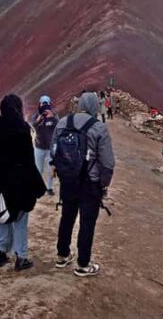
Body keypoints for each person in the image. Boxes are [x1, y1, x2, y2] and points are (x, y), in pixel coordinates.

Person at [51, 91, 115, 277]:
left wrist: (62, 173)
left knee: (67, 217)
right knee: (87, 223)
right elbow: (108, 163)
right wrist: (104, 185)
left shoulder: (63, 122)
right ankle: (83, 264)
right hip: (90, 184)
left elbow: (54, 151)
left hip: (68, 181)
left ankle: (62, 255)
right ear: (95, 106)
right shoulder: (98, 127)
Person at [0, 94, 46, 271]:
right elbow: (28, 160)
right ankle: (21, 257)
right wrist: (37, 185)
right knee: (20, 218)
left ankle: (1, 254)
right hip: (20, 181)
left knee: (2, 216)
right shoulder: (22, 128)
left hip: (0, 180)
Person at [31, 95, 58, 196]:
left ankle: (49, 188)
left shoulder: (54, 116)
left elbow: (60, 127)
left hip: (50, 149)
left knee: (51, 169)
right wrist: (38, 121)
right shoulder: (36, 116)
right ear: (39, 104)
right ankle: (37, 188)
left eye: (47, 103)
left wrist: (53, 118)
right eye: (43, 103)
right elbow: (32, 127)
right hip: (39, 147)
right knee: (38, 169)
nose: (45, 106)